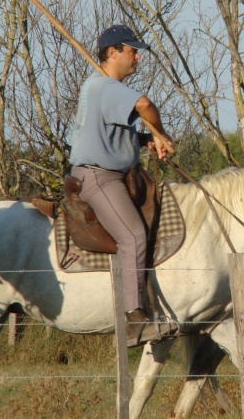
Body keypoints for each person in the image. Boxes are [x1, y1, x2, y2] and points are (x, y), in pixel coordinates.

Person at [69, 24, 177, 346]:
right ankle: (135, 321)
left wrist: (145, 140)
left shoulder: (103, 87)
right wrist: (159, 132)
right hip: (99, 177)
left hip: (111, 173)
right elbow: (144, 105)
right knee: (132, 236)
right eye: (132, 51)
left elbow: (115, 134)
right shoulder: (104, 87)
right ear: (112, 52)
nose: (137, 59)